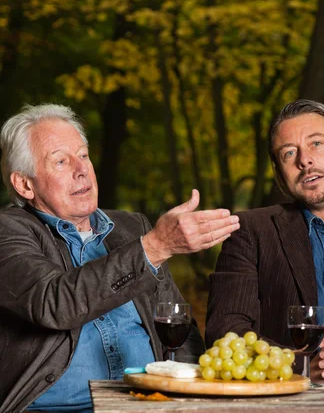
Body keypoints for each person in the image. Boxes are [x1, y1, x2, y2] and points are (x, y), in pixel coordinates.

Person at [0, 103, 240, 413]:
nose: (81, 168)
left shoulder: (132, 227)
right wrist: (154, 247)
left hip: (148, 404)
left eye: (84, 155)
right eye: (61, 161)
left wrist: (197, 400)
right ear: (25, 184)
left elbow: (180, 329)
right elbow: (54, 302)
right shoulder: (9, 231)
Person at [206, 99, 324, 398]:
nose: (305, 160)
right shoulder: (251, 232)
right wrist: (305, 364)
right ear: (279, 173)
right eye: (289, 153)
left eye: (317, 144)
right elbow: (225, 331)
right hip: (291, 393)